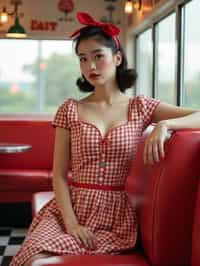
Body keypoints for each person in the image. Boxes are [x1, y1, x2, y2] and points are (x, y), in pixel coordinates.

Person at [10, 11, 200, 266]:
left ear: (117, 58)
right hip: (69, 211)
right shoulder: (70, 109)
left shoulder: (140, 107)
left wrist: (165, 124)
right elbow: (58, 175)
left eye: (98, 56)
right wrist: (72, 224)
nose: (90, 66)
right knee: (31, 256)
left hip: (115, 218)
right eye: (83, 59)